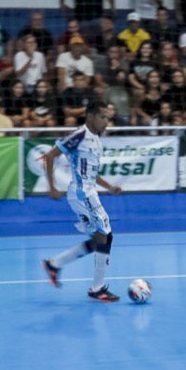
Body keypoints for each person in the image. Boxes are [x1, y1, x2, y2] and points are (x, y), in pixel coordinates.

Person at [41, 101, 123, 302]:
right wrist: (51, 186)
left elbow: (91, 174)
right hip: (81, 194)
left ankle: (54, 264)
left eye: (108, 118)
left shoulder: (96, 141)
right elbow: (50, 156)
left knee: (101, 238)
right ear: (91, 116)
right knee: (105, 234)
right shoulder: (79, 135)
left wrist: (109, 186)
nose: (106, 122)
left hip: (89, 192)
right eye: (103, 117)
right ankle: (97, 289)